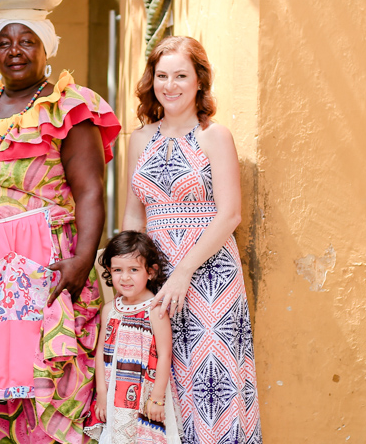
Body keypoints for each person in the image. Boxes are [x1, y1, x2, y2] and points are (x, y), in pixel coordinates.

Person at [0, 10, 121, 443]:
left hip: (39, 277)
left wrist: (84, 259)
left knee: (35, 385)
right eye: (5, 41)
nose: (15, 50)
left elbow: (89, 190)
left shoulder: (68, 108)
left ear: (47, 48)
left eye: (27, 40)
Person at [122, 36, 262, 444]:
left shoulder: (214, 136)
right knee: (164, 383)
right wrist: (133, 276)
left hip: (209, 278)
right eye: (162, 76)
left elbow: (230, 214)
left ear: (199, 80)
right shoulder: (140, 139)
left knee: (210, 385)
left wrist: (184, 271)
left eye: (181, 75)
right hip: (157, 276)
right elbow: (135, 213)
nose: (170, 85)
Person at [86, 231, 181, 444]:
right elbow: (101, 351)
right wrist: (101, 391)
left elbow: (165, 354)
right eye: (118, 270)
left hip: (145, 394)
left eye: (134, 270)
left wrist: (157, 398)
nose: (125, 277)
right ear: (109, 270)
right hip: (113, 393)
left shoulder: (155, 309)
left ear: (150, 272)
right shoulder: (110, 309)